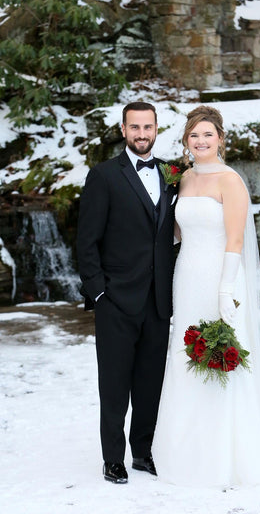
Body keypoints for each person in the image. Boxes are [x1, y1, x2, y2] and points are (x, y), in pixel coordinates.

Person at [152, 105, 260, 488]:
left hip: (220, 278)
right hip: (186, 276)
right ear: (186, 142)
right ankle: (181, 451)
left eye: (208, 134)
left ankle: (223, 456)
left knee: (216, 357)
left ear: (220, 139)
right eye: (194, 135)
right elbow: (175, 231)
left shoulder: (230, 181)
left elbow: (235, 240)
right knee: (183, 354)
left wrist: (226, 290)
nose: (201, 141)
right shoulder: (183, 179)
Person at [77, 101, 176, 484]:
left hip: (157, 300)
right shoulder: (103, 176)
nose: (141, 134)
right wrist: (99, 293)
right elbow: (86, 242)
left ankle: (143, 452)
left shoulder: (172, 174)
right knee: (115, 385)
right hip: (116, 300)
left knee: (150, 382)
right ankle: (112, 459)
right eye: (134, 127)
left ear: (156, 129)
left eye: (147, 127)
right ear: (123, 130)